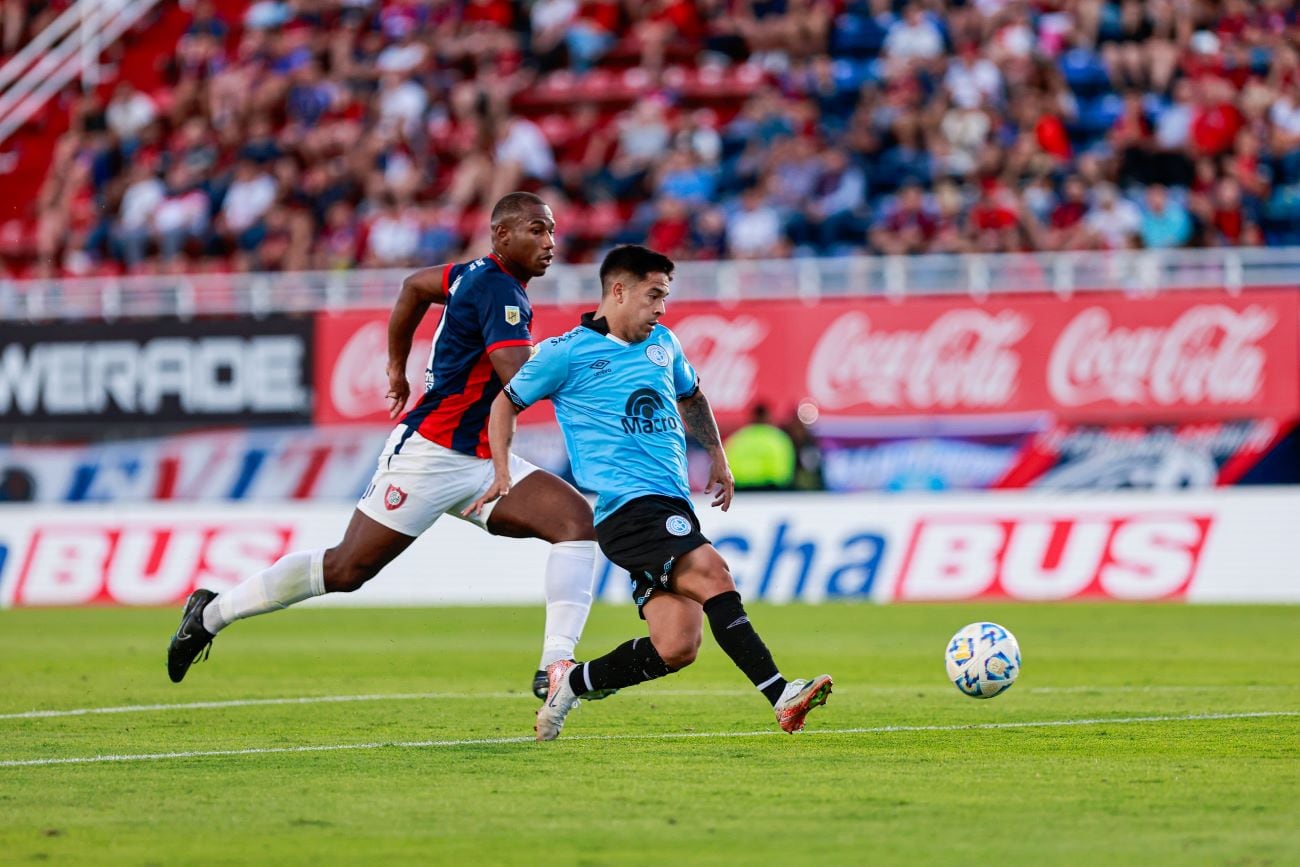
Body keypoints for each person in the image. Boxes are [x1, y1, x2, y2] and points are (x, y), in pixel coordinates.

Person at [167, 192, 613, 703]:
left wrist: (396, 367)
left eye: (552, 231)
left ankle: (554, 666)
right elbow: (519, 378)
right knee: (345, 570)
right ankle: (209, 614)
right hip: (430, 455)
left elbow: (414, 287)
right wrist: (586, 351)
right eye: (537, 229)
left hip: (481, 455)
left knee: (574, 522)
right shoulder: (499, 290)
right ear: (502, 236)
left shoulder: (472, 274)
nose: (551, 242)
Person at [466, 244, 832, 741]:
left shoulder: (664, 344)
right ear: (618, 290)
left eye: (666, 296)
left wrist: (719, 457)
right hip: (627, 508)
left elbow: (692, 396)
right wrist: (502, 469)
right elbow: (504, 404)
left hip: (670, 503)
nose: (662, 307)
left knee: (676, 646)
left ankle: (570, 683)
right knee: (712, 571)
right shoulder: (566, 352)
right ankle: (781, 694)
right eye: (653, 295)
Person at [723, 402, 796, 490]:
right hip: (771, 490)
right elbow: (784, 473)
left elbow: (726, 467)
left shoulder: (737, 439)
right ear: (769, 417)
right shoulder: (779, 439)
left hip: (741, 492)